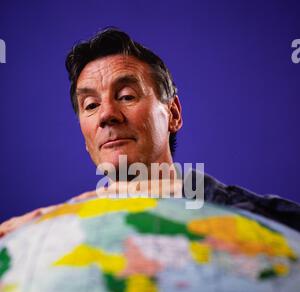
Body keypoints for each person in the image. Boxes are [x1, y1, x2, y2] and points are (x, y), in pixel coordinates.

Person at [0, 27, 299, 237]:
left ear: (173, 114)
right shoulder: (50, 241)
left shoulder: (263, 223)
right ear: (86, 138)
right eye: (90, 105)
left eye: (127, 96)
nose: (106, 115)